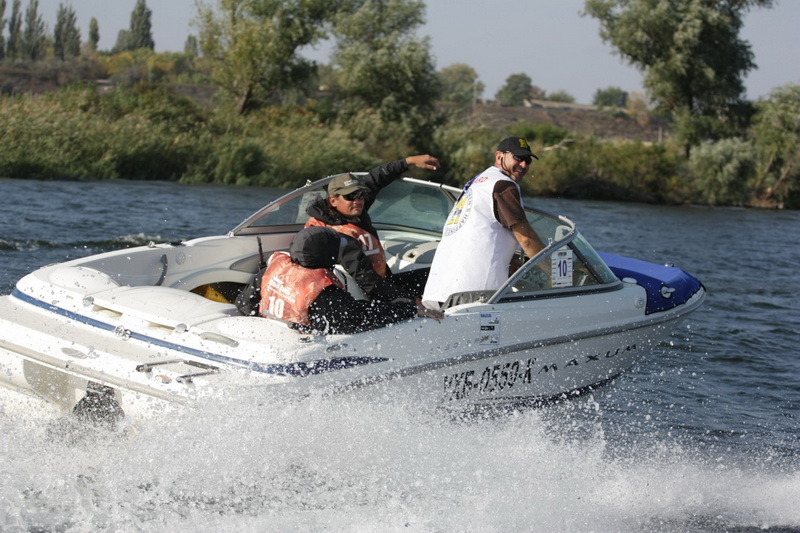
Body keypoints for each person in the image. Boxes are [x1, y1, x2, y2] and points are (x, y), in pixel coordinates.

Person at [422, 137, 546, 309]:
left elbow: (481, 232)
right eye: (518, 158)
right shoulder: (503, 185)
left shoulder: (476, 182)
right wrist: (553, 271)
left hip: (437, 292)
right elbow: (526, 239)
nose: (524, 165)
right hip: (474, 293)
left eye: (528, 160)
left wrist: (509, 263)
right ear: (499, 156)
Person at [256, 227, 443, 334]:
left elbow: (247, 303)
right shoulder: (322, 291)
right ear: (327, 255)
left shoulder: (273, 268)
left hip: (276, 330)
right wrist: (411, 309)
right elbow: (357, 318)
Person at [305, 155, 440, 298]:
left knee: (439, 275)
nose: (357, 200)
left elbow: (377, 178)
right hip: (365, 297)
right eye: (350, 196)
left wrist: (409, 161)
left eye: (360, 194)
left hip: (383, 283)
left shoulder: (354, 209)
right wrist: (409, 301)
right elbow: (366, 281)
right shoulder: (328, 235)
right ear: (333, 201)